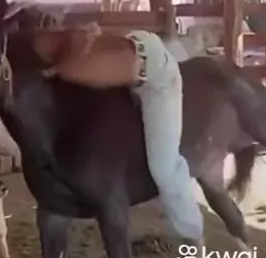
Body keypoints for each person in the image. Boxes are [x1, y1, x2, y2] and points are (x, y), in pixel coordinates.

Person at [44, 28, 204, 242]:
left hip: (156, 77)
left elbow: (86, 47)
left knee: (164, 169)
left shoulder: (68, 69)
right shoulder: (62, 58)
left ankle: (193, 231)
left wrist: (57, 69)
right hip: (134, 54)